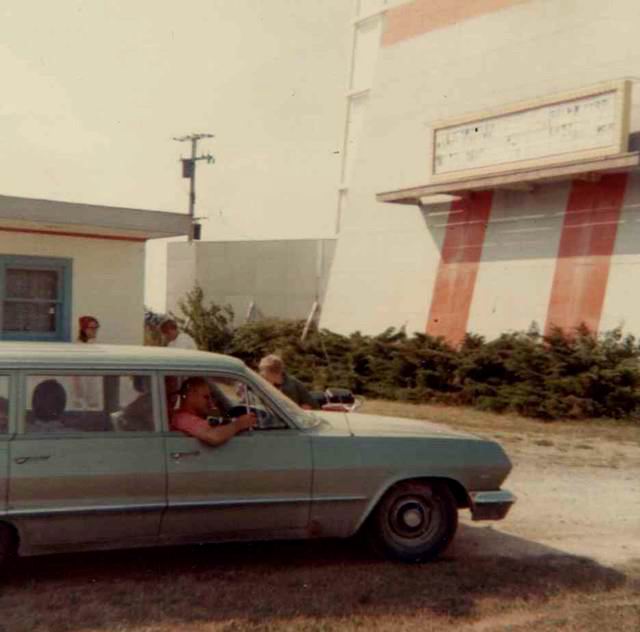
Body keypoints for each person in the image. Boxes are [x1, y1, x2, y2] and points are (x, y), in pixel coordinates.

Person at [171, 377, 256, 446]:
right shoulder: (182, 418)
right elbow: (213, 437)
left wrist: (213, 410)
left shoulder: (198, 415)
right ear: (191, 396)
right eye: (206, 397)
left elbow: (222, 421)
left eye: (211, 397)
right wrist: (239, 424)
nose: (210, 402)